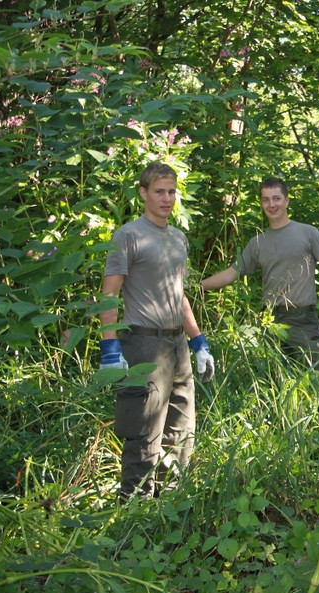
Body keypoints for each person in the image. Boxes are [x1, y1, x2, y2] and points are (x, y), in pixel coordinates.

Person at [98, 161, 216, 498]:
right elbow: (109, 294)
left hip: (177, 346)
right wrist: (111, 350)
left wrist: (198, 342)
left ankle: (170, 507)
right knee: (143, 435)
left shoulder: (178, 239)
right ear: (144, 193)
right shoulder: (129, 235)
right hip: (143, 345)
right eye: (160, 192)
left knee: (181, 432)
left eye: (172, 192)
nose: (167, 199)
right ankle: (133, 511)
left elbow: (178, 294)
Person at [200, 176, 319, 382]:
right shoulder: (258, 242)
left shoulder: (307, 233)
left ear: (286, 201)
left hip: (301, 318)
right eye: (266, 200)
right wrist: (198, 287)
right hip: (269, 320)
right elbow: (232, 273)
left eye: (276, 198)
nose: (271, 204)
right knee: (274, 380)